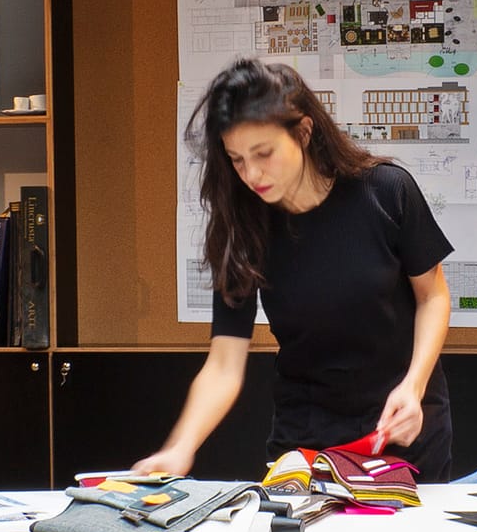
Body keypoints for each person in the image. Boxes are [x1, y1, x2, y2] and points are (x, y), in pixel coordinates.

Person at [134, 58, 453, 479]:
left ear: (303, 131)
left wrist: (414, 386)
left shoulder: (385, 192)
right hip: (306, 439)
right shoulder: (243, 228)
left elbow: (433, 297)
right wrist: (181, 448)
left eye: (263, 154)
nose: (251, 174)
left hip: (401, 427)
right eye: (237, 159)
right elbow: (225, 362)